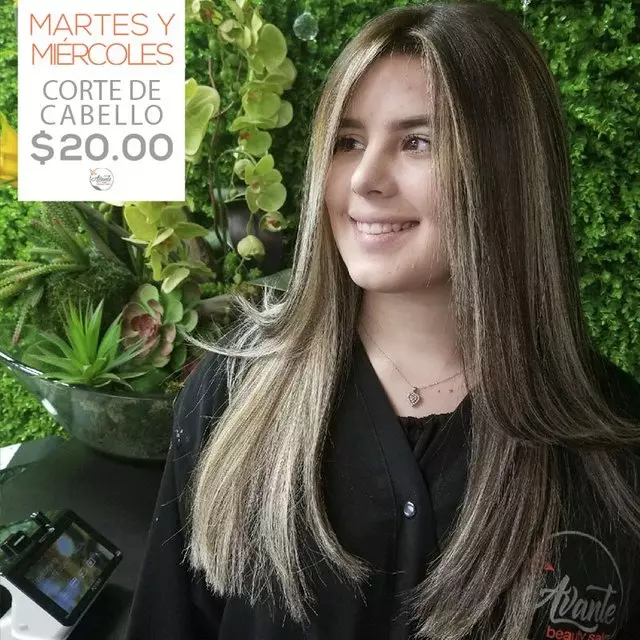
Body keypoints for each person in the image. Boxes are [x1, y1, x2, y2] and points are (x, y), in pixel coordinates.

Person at [124, 2, 640, 639]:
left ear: (507, 171)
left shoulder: (613, 448)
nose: (364, 179)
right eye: (348, 142)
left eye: (417, 142)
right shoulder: (236, 388)